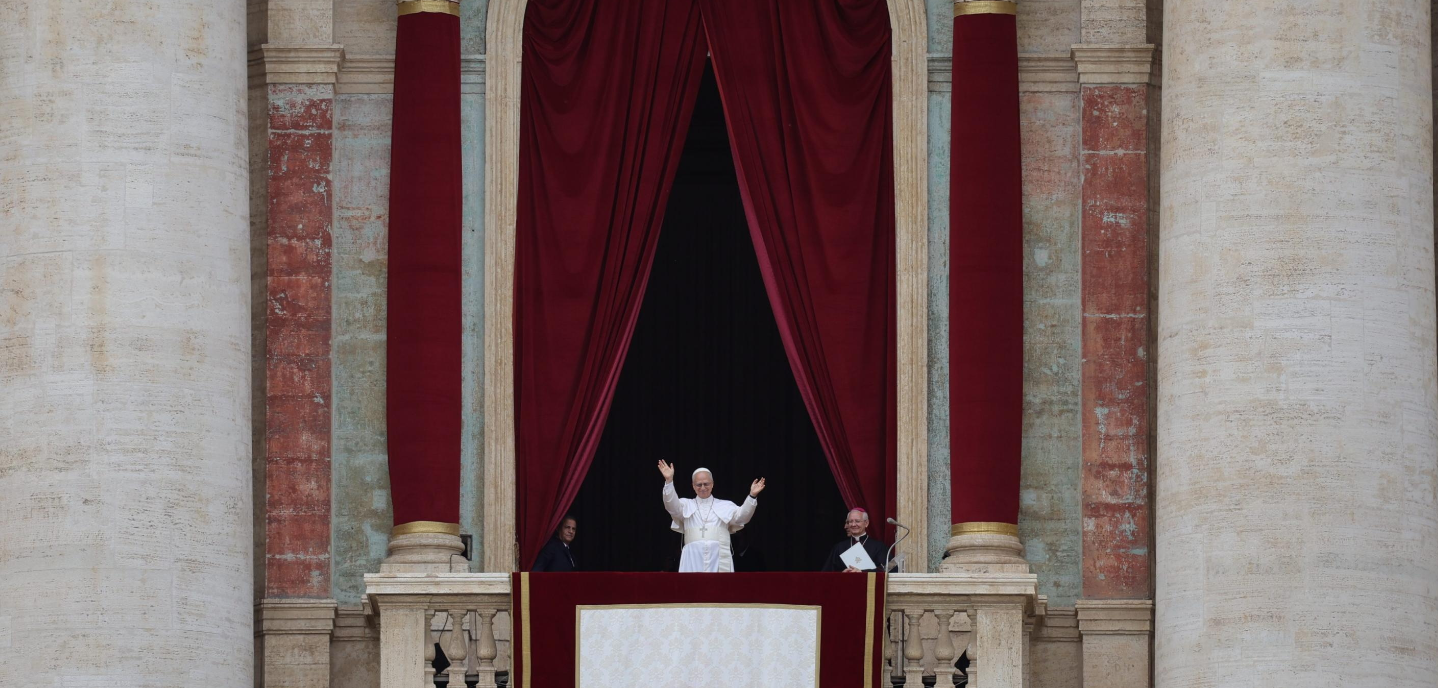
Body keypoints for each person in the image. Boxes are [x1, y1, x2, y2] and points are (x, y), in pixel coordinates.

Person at [658, 460, 765, 572]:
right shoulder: (685, 504)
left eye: (706, 484)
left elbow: (742, 517)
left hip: (719, 556)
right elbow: (671, 505)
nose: (703, 487)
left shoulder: (726, 505)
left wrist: (752, 496)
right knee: (692, 587)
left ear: (712, 484)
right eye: (699, 484)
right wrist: (669, 481)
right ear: (693, 486)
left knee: (719, 588)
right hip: (692, 556)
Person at [821, 508, 889, 572]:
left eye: (857, 521)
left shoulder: (879, 547)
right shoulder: (839, 547)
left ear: (866, 523)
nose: (853, 524)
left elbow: (888, 569)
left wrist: (863, 572)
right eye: (850, 521)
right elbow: (827, 573)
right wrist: (841, 574)